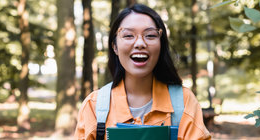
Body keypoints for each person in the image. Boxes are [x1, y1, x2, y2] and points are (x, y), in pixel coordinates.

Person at [74, 4, 211, 140]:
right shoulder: (94, 106)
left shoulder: (184, 102)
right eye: (128, 35)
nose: (140, 43)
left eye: (150, 35)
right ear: (114, 46)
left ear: (161, 44)